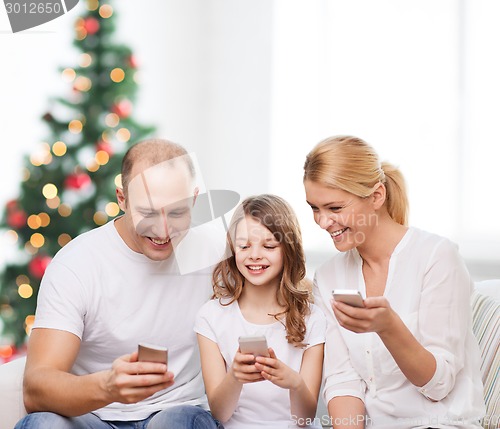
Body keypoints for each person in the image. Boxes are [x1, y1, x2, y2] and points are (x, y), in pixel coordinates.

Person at [15, 139, 225, 429]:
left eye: (177, 212)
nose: (163, 231)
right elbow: (36, 388)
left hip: (176, 413)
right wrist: (107, 387)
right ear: (122, 199)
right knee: (42, 424)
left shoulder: (218, 253)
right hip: (93, 417)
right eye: (148, 212)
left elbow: (284, 289)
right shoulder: (77, 263)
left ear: (194, 201)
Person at [303, 135, 486, 429]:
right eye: (314, 208)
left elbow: (438, 385)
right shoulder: (328, 277)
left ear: (377, 196)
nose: (323, 222)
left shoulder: (437, 258)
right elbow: (343, 382)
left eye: (335, 208)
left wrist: (389, 327)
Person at [194, 194, 326, 429]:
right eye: (244, 246)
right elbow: (220, 413)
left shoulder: (312, 318)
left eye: (268, 246)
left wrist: (294, 383)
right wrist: (235, 376)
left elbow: (305, 418)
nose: (254, 255)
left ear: (288, 249)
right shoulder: (211, 316)